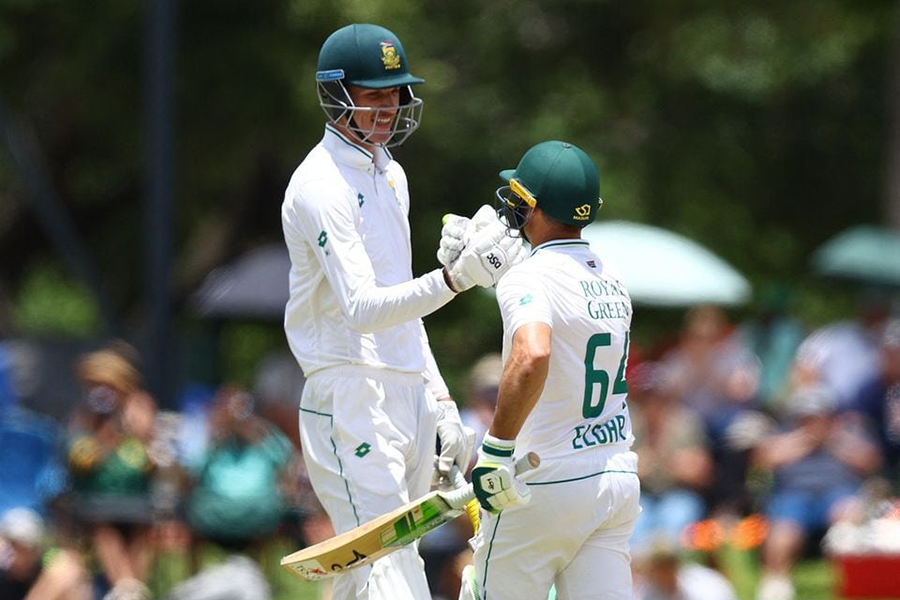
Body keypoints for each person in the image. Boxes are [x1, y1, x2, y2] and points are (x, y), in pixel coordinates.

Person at [280, 23, 525, 600]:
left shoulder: (391, 172)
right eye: (374, 94)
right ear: (337, 94)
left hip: (405, 386)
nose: (389, 107)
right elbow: (364, 309)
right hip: (347, 391)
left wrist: (438, 398)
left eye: (395, 93)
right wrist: (455, 280)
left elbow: (399, 302)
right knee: (394, 574)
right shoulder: (319, 185)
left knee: (370, 571)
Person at [459, 141, 641, 600]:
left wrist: (496, 450)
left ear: (532, 206)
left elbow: (533, 354)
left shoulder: (528, 277)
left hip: (543, 480)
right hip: (614, 477)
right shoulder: (612, 276)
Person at [752, 384, 881, 600]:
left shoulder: (848, 432)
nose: (815, 422)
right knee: (784, 531)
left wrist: (835, 440)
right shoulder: (785, 433)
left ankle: (853, 583)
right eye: (808, 417)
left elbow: (871, 461)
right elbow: (763, 459)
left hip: (838, 495)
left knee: (850, 513)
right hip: (793, 497)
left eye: (821, 416)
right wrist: (805, 440)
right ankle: (776, 584)